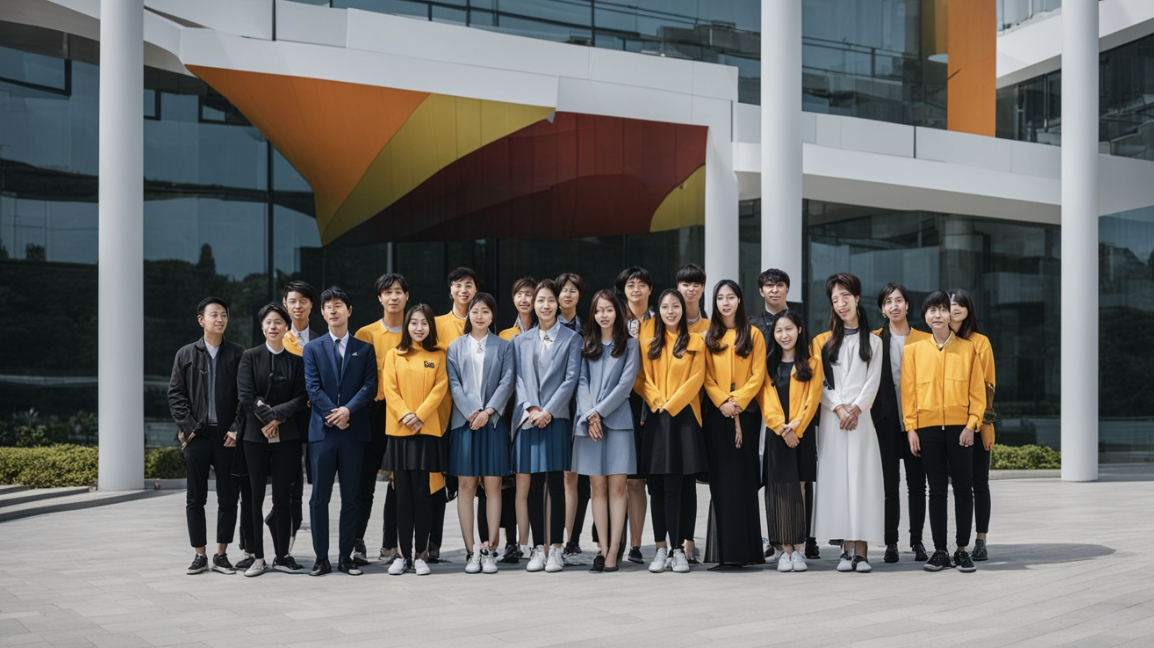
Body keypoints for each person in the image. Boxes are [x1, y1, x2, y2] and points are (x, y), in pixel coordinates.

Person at [903, 291, 986, 573]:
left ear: (951, 315)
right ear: (925, 316)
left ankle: (962, 550)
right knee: (936, 490)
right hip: (927, 430)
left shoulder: (968, 349)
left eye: (942, 310)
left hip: (960, 429)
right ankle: (940, 551)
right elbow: (908, 394)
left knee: (963, 489)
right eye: (932, 310)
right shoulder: (914, 350)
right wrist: (911, 428)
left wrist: (971, 425)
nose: (937, 315)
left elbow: (978, 394)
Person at [811, 273, 884, 573]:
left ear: (856, 298)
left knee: (861, 480)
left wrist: (855, 409)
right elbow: (819, 384)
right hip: (833, 421)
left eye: (845, 297)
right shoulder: (824, 342)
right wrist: (839, 408)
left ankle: (862, 552)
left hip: (861, 421)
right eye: (835, 299)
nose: (841, 304)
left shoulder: (875, 342)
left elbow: (873, 382)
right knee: (837, 481)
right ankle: (845, 549)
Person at [302, 287, 378, 577]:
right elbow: (312, 387)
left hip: (353, 432)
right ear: (322, 313)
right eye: (328, 307)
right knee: (319, 498)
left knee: (352, 497)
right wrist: (335, 415)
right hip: (323, 433)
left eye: (338, 305)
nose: (333, 311)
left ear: (349, 310)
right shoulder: (312, 348)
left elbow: (369, 387)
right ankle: (321, 558)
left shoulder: (364, 349)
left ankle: (346, 557)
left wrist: (348, 411)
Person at [168, 296, 245, 575]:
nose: (220, 319)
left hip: (227, 437)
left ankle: (221, 555)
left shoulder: (238, 354)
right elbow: (175, 394)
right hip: (197, 436)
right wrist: (189, 427)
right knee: (195, 498)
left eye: (224, 314)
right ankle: (199, 554)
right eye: (214, 314)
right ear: (202, 320)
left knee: (228, 498)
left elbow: (245, 396)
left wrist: (236, 428)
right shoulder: (185, 354)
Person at [512, 279, 582, 573]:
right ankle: (537, 548)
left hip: (556, 418)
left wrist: (548, 411)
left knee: (556, 482)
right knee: (534, 485)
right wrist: (531, 408)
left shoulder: (572, 338)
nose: (545, 305)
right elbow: (518, 378)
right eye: (540, 300)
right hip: (530, 419)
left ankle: (556, 548)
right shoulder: (520, 340)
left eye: (550, 300)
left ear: (558, 303)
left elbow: (571, 379)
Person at [636, 289, 707, 574]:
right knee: (657, 487)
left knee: (683, 486)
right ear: (659, 310)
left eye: (675, 306)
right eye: (665, 307)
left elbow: (697, 377)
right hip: (657, 417)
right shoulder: (648, 342)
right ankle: (660, 548)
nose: (670, 311)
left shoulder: (695, 342)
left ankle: (679, 550)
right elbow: (640, 377)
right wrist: (657, 401)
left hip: (684, 418)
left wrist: (672, 403)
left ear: (683, 309)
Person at [237, 303, 309, 576]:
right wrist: (267, 419)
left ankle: (282, 555)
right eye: (268, 322)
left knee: (282, 497)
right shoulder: (250, 357)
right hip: (254, 437)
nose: (273, 326)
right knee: (255, 497)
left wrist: (276, 418)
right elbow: (246, 395)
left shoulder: (297, 361)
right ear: (262, 326)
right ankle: (257, 557)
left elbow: (301, 398)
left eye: (278, 322)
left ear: (286, 327)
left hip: (287, 437)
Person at [446, 293, 515, 575]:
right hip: (464, 424)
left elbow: (507, 381)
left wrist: (488, 411)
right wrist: (472, 412)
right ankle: (471, 550)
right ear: (468, 314)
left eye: (485, 311)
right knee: (466, 486)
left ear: (492, 316)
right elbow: (454, 384)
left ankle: (489, 550)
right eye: (475, 311)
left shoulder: (504, 346)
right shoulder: (455, 347)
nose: (479, 316)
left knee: (493, 486)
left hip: (493, 423)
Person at [749, 268, 816, 559]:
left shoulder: (802, 325)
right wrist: (780, 425)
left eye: (779, 285)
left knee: (802, 482)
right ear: (761, 291)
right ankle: (778, 542)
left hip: (799, 422)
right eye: (768, 286)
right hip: (768, 417)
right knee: (775, 483)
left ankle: (804, 540)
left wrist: (796, 425)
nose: (774, 290)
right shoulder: (752, 325)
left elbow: (813, 391)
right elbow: (761, 385)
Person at [573, 290, 641, 573]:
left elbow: (625, 386)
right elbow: (580, 383)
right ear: (593, 314)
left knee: (617, 488)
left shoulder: (631, 345)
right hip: (589, 426)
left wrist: (598, 413)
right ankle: (601, 548)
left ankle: (614, 549)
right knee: (597, 487)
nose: (604, 315)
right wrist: (591, 415)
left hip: (618, 424)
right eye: (599, 310)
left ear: (618, 313)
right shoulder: (585, 343)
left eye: (609, 310)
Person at [381, 304, 450, 576]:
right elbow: (390, 389)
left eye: (424, 323)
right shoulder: (394, 355)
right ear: (406, 326)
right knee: (401, 496)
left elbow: (440, 388)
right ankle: (401, 555)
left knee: (423, 494)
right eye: (414, 323)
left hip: (426, 430)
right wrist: (405, 415)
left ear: (430, 326)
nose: (419, 328)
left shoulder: (438, 355)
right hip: (400, 432)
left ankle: (421, 554)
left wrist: (419, 415)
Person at [701, 280, 765, 568]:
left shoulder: (753, 334)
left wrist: (736, 402)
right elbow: (705, 377)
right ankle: (725, 553)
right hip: (717, 417)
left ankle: (748, 552)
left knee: (744, 481)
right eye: (720, 298)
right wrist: (723, 403)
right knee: (722, 483)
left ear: (739, 300)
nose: (725, 303)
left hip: (746, 415)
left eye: (730, 297)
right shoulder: (708, 336)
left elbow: (758, 374)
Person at [869, 283, 932, 563]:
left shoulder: (925, 340)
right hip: (884, 421)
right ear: (882, 309)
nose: (893, 306)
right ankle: (891, 542)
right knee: (889, 486)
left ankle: (917, 541)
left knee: (918, 484)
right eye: (888, 302)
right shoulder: (873, 340)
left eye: (898, 300)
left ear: (907, 305)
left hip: (918, 421)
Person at [352, 273, 409, 566]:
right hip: (371, 413)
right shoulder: (365, 334)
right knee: (364, 480)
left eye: (398, 291)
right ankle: (356, 541)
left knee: (399, 482)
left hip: (403, 415)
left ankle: (390, 545)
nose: (393, 297)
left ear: (407, 297)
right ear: (380, 298)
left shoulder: (415, 332)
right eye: (388, 292)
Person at [761, 310, 822, 573]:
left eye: (789, 329)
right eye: (779, 330)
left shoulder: (812, 362)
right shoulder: (767, 364)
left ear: (799, 330)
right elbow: (765, 399)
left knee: (801, 488)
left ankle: (799, 547)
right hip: (777, 434)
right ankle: (784, 549)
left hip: (802, 434)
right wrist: (782, 427)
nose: (784, 335)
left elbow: (813, 398)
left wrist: (797, 425)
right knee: (779, 490)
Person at [429, 267, 478, 561]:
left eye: (468, 285)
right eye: (458, 285)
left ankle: (481, 545)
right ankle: (431, 544)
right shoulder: (435, 324)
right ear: (450, 290)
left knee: (471, 481)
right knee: (435, 479)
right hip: (438, 413)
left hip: (471, 416)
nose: (463, 290)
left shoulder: (482, 321)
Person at [948, 287, 997, 563]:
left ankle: (981, 539)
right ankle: (958, 542)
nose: (954, 308)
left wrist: (984, 425)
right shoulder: (941, 341)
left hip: (976, 426)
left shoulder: (980, 342)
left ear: (968, 310)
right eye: (950, 304)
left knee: (980, 482)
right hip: (949, 425)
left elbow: (988, 388)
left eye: (960, 304)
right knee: (957, 486)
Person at [496, 276, 536, 563]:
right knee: (510, 480)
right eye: (519, 294)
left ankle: (539, 540)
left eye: (529, 294)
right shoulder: (505, 334)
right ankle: (512, 541)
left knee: (537, 480)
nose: (524, 299)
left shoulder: (546, 330)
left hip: (539, 409)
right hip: (511, 410)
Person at [617, 265, 654, 565]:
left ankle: (638, 544)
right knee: (625, 481)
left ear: (650, 289)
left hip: (654, 405)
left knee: (642, 480)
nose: (636, 289)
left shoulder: (661, 321)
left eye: (641, 284)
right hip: (622, 406)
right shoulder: (615, 321)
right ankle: (618, 542)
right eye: (631, 285)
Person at [555, 272, 592, 562]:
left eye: (573, 290)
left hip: (581, 407)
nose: (567, 295)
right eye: (563, 290)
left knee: (579, 474)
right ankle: (557, 539)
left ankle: (573, 538)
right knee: (561, 475)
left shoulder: (589, 330)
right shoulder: (547, 328)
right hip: (554, 408)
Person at [673, 263, 708, 562]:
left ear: (703, 288)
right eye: (685, 284)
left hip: (708, 411)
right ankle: (680, 541)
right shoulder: (667, 325)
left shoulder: (711, 326)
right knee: (680, 479)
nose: (691, 288)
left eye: (696, 283)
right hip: (676, 412)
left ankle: (691, 539)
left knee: (695, 481)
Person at [280, 281, 316, 556]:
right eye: (293, 301)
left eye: (303, 301)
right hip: (288, 420)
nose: (298, 306)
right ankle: (286, 545)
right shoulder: (277, 338)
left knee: (319, 481)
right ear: (285, 304)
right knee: (291, 482)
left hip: (317, 419)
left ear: (311, 305)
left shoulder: (321, 339)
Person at [499, 276, 537, 341]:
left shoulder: (544, 332)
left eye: (528, 295)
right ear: (513, 299)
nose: (523, 300)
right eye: (519, 295)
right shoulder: (505, 335)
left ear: (536, 299)